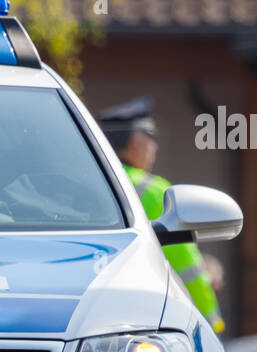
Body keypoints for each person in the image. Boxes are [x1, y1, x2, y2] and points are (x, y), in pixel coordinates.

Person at [97, 96, 226, 334]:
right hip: (145, 323)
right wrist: (212, 321)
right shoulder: (154, 191)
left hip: (95, 316)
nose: (154, 147)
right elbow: (186, 266)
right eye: (151, 137)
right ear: (135, 141)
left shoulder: (88, 183)